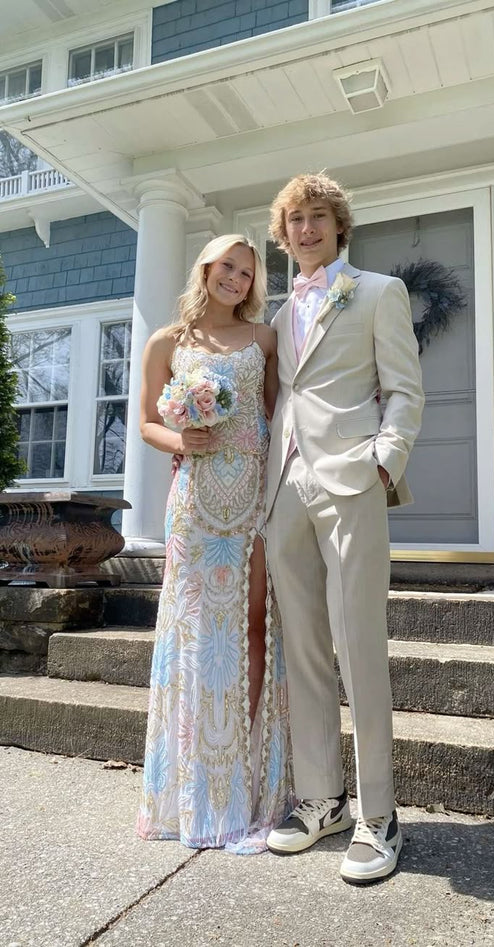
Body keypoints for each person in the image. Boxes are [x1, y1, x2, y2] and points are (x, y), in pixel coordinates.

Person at [264, 173, 425, 883]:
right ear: (284, 234)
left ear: (338, 226)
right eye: (294, 220)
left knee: (358, 644)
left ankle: (379, 815)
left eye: (317, 217)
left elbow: (405, 390)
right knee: (302, 649)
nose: (305, 230)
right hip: (285, 488)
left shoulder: (378, 292)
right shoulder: (279, 314)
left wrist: (383, 463)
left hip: (351, 480)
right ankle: (322, 799)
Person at [136, 234, 292, 855]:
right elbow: (146, 421)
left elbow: (279, 415)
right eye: (228, 266)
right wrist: (181, 440)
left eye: (247, 273)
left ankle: (243, 778)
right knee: (195, 634)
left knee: (252, 626)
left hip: (252, 502)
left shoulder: (264, 340)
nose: (237, 279)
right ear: (206, 268)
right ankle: (196, 785)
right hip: (194, 505)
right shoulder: (166, 343)